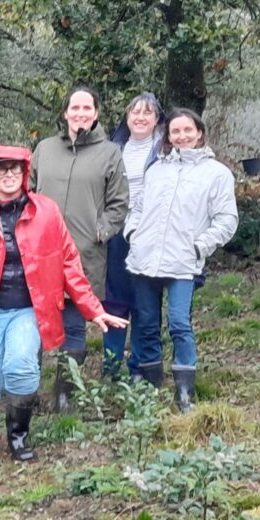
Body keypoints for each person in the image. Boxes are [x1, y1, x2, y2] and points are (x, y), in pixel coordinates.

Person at [0, 145, 126, 462]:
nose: (9, 175)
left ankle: (18, 437)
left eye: (15, 169)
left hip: (28, 310)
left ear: (25, 174)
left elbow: (68, 265)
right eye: (1, 169)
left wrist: (94, 310)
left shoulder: (47, 212)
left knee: (21, 368)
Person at [125, 109, 238, 412]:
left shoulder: (217, 173)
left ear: (199, 132)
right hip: (144, 260)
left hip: (184, 264)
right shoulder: (156, 170)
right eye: (175, 131)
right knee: (146, 324)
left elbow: (227, 220)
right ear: (168, 136)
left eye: (188, 130)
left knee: (178, 323)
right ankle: (149, 387)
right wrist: (133, 233)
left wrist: (201, 246)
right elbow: (137, 207)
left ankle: (184, 390)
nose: (182, 136)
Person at [31, 85, 129, 411]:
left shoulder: (110, 153)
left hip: (85, 253)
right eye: (75, 108)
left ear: (96, 113)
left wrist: (100, 231)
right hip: (39, 255)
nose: (81, 114)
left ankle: (65, 392)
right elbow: (26, 191)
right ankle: (25, 389)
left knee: (73, 326)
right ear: (65, 112)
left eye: (87, 108)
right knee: (31, 324)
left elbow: (119, 204)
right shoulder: (44, 149)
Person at [103, 93, 164, 378]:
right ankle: (110, 367)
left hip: (150, 235)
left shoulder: (164, 151)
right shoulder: (113, 149)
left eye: (147, 113)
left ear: (157, 120)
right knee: (115, 300)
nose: (140, 117)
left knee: (144, 301)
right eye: (135, 112)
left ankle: (139, 366)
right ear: (127, 118)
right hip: (116, 233)